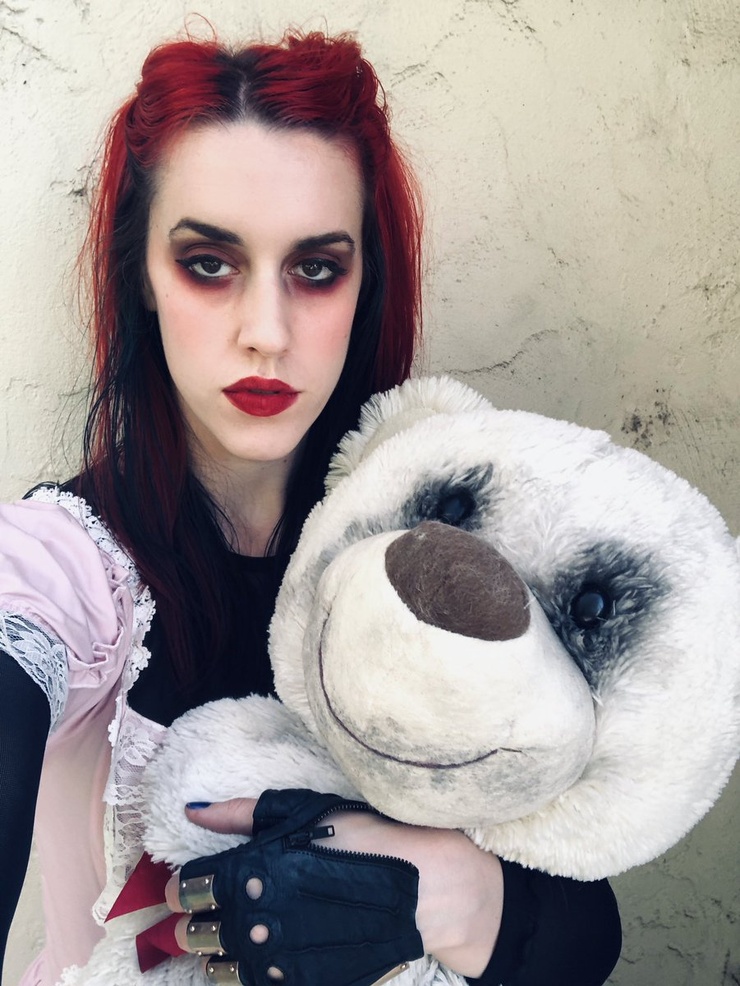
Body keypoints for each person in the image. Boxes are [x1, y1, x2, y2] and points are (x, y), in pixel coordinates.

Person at [0, 28, 621, 986]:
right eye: (209, 263)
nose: (267, 331)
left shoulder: (435, 552)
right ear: (142, 278)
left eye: (317, 268)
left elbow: (587, 936)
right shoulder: (68, 568)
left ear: (366, 283)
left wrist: (445, 893)